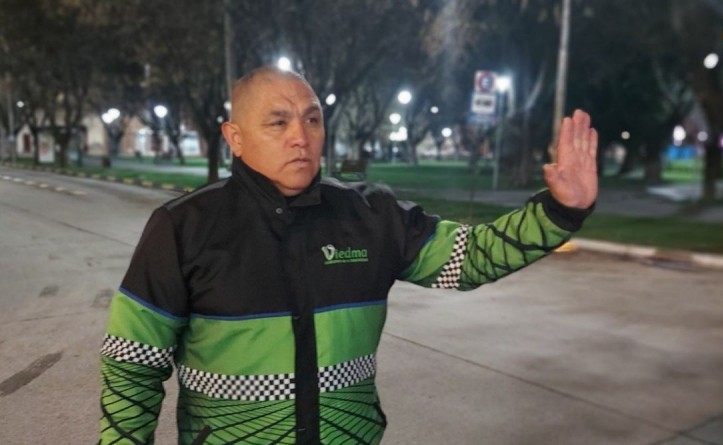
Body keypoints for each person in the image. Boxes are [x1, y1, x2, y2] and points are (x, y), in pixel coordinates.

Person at [98, 66, 598, 445]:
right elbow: (132, 365)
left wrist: (561, 211)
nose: (301, 137)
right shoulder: (183, 227)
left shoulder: (371, 215)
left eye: (312, 119)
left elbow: (470, 258)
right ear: (235, 138)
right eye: (278, 122)